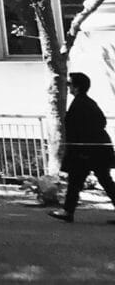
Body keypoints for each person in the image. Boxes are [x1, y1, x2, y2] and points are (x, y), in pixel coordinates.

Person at [52, 72, 115, 223]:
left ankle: (68, 211)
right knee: (101, 180)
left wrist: (83, 148)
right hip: (95, 149)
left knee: (78, 180)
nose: (68, 87)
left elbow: (82, 128)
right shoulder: (87, 103)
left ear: (77, 87)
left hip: (87, 151)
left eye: (70, 84)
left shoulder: (81, 104)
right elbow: (100, 122)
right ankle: (68, 211)